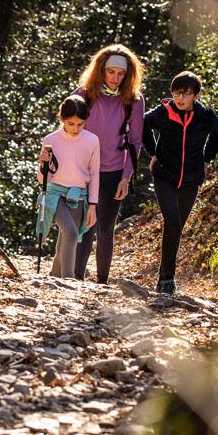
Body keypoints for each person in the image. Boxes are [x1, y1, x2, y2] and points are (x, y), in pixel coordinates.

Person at [142, 71, 218, 295]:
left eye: (186, 94)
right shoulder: (163, 112)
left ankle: (164, 278)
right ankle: (167, 280)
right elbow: (142, 125)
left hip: (191, 179)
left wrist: (207, 158)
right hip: (164, 176)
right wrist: (153, 152)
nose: (180, 99)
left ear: (195, 96)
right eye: (176, 93)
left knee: (177, 227)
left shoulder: (204, 115)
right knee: (172, 222)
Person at [71, 44, 146, 284]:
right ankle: (76, 277)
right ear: (101, 70)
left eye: (120, 74)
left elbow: (135, 142)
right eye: (110, 72)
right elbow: (67, 128)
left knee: (105, 228)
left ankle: (101, 281)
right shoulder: (84, 94)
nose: (115, 78)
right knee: (84, 225)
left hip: (114, 171)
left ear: (128, 75)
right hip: (84, 170)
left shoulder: (133, 101)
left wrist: (126, 177)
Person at [37, 95, 100, 279]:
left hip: (78, 194)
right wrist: (42, 164)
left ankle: (55, 276)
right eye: (70, 123)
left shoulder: (92, 140)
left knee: (65, 238)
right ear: (62, 119)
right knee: (71, 233)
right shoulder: (51, 139)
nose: (75, 129)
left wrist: (93, 205)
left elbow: (94, 173)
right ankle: (68, 280)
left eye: (80, 124)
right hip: (54, 194)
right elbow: (43, 179)